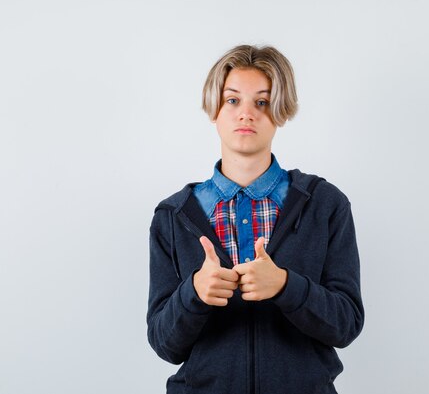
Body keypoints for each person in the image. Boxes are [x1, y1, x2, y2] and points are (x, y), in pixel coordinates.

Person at [147, 45, 364, 394]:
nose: (246, 114)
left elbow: (346, 324)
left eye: (261, 102)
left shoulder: (326, 205)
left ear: (280, 111)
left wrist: (284, 285)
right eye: (233, 100)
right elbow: (164, 344)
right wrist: (194, 293)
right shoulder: (172, 216)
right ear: (214, 109)